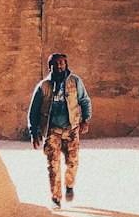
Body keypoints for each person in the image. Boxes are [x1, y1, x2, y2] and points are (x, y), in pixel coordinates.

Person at [28, 52, 92, 207]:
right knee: (53, 165)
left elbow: (85, 101)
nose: (59, 66)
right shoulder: (43, 86)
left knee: (72, 162)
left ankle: (69, 185)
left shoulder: (75, 82)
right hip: (52, 131)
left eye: (62, 63)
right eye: (56, 64)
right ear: (50, 67)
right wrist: (33, 132)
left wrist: (86, 120)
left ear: (66, 64)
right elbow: (33, 111)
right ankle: (56, 197)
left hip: (71, 129)